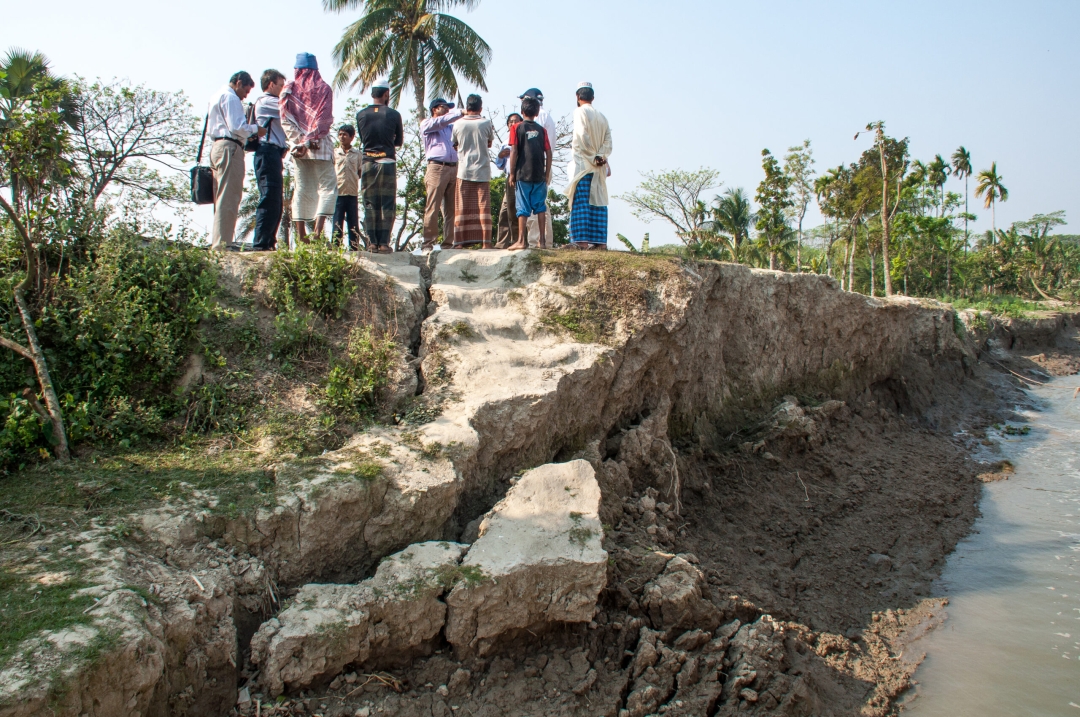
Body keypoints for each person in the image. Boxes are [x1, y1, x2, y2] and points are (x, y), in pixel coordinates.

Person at [207, 71, 265, 251]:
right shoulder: (231, 98)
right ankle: (223, 244)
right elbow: (237, 127)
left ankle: (219, 241)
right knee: (229, 196)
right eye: (246, 91)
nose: (245, 95)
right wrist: (256, 129)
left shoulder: (216, 96)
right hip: (230, 147)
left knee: (220, 196)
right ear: (239, 83)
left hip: (217, 147)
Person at [281, 53, 335, 244]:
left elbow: (285, 120)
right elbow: (323, 120)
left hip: (299, 149)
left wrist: (300, 142)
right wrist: (310, 138)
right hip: (320, 145)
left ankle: (302, 235)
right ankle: (318, 233)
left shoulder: (288, 89)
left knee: (302, 189)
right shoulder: (324, 88)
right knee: (327, 187)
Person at [355, 79, 404, 254]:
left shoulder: (361, 114)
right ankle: (384, 243)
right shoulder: (393, 114)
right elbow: (398, 141)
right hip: (387, 162)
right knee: (387, 204)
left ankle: (372, 243)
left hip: (368, 161)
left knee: (370, 203)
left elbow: (362, 138)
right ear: (386, 94)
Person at [565, 82, 612, 249]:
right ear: (593, 97)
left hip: (584, 165)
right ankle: (600, 243)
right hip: (598, 166)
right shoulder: (602, 116)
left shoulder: (579, 112)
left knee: (581, 203)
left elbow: (582, 136)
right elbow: (608, 141)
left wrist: (593, 157)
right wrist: (601, 157)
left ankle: (581, 242)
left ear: (578, 97)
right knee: (598, 203)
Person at [450, 94, 495, 249]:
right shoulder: (486, 123)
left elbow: (454, 144)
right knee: (483, 207)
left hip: (463, 169)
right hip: (482, 169)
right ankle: (486, 243)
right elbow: (489, 143)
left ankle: (459, 243)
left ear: (467, 108)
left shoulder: (458, 123)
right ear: (480, 108)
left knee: (461, 207)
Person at [507, 97, 552, 251]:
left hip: (522, 174)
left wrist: (512, 173)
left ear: (522, 112)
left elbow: (514, 150)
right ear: (537, 112)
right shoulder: (542, 130)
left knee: (522, 208)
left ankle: (521, 240)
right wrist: (547, 173)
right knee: (540, 207)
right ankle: (543, 241)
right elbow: (549, 152)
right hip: (539, 174)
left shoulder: (516, 128)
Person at [420, 97, 462, 252]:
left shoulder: (450, 128)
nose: (447, 110)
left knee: (451, 209)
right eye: (444, 107)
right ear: (434, 109)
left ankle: (448, 243)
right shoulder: (427, 124)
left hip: (453, 168)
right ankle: (428, 243)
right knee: (433, 206)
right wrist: (461, 112)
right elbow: (441, 122)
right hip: (436, 168)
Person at [251, 69, 287, 251]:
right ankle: (260, 243)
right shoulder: (267, 102)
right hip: (266, 151)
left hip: (274, 153)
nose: (283, 89)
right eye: (281, 85)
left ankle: (269, 242)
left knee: (276, 200)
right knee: (269, 197)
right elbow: (290, 111)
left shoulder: (275, 101)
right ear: (271, 84)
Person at [518, 88, 558, 246]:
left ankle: (535, 242)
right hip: (543, 165)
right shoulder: (547, 116)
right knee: (541, 205)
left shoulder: (539, 116)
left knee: (534, 206)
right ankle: (545, 241)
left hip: (533, 167)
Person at [494, 113, 522, 249]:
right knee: (505, 212)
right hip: (509, 178)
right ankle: (501, 243)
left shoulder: (523, 139)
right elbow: (499, 164)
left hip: (520, 177)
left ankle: (517, 240)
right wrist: (500, 156)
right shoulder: (505, 142)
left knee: (515, 210)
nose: (512, 124)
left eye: (516, 121)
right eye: (510, 122)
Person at [332, 125, 362, 250]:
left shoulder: (358, 154)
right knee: (337, 221)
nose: (342, 137)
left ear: (351, 137)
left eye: (345, 134)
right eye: (340, 134)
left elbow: (360, 171)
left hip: (352, 192)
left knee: (353, 222)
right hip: (338, 192)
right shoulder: (334, 153)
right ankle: (335, 247)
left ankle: (354, 247)